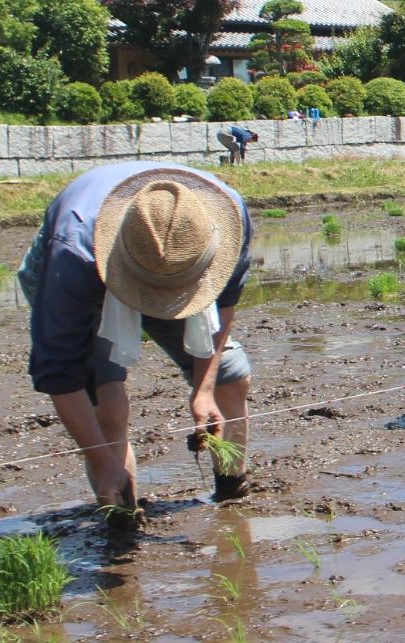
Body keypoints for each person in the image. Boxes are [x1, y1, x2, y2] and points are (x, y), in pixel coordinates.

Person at [18, 162, 256, 514]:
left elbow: (223, 310)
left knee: (230, 376)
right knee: (108, 406)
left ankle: (232, 488)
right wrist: (101, 461)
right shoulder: (72, 252)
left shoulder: (227, 216)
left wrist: (203, 389)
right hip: (93, 278)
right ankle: (121, 515)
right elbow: (59, 372)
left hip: (174, 269)